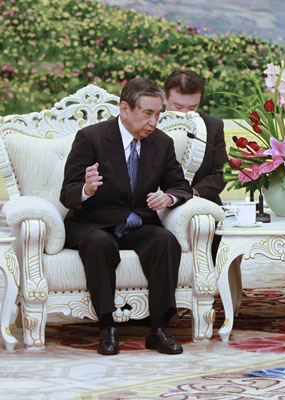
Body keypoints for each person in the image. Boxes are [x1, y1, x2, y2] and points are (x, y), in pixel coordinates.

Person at [60, 77, 193, 356]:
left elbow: (180, 186)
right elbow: (67, 192)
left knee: (165, 241)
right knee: (99, 243)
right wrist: (86, 188)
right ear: (124, 109)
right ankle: (107, 327)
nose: (154, 122)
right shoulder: (91, 138)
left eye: (158, 114)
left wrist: (168, 198)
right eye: (147, 114)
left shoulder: (162, 143)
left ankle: (158, 327)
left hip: (138, 223)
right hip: (94, 223)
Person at [164, 70, 228, 259]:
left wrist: (193, 194)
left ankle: (216, 286)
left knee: (216, 230)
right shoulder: (150, 124)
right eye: (178, 107)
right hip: (158, 201)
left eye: (192, 108)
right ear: (165, 98)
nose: (185, 114)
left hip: (200, 201)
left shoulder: (212, 126)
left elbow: (221, 172)